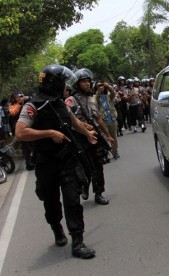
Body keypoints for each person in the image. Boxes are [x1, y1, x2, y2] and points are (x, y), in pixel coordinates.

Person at [15, 64, 97, 259]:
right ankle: (57, 230)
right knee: (51, 203)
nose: (65, 87)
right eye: (63, 83)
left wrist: (87, 134)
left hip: (67, 160)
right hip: (46, 163)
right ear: (54, 83)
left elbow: (73, 121)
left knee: (72, 200)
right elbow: (20, 132)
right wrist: (50, 133)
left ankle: (78, 242)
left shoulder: (60, 102)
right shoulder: (32, 105)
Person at [65, 68, 114, 205]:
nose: (87, 84)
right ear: (77, 84)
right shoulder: (70, 100)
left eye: (88, 81)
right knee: (85, 165)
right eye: (83, 82)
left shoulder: (92, 99)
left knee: (98, 164)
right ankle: (84, 185)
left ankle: (99, 193)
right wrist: (84, 128)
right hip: (79, 138)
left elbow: (98, 119)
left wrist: (107, 135)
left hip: (94, 135)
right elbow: (69, 121)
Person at [95, 81, 119, 159]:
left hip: (112, 118)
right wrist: (98, 91)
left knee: (114, 137)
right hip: (103, 120)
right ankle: (106, 153)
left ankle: (115, 152)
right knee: (104, 137)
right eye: (99, 86)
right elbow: (96, 100)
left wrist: (108, 86)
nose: (101, 87)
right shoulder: (96, 97)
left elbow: (113, 93)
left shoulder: (109, 96)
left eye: (102, 86)